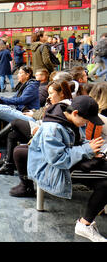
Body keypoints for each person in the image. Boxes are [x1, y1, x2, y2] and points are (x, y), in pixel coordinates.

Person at [27, 95, 107, 242]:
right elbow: (57, 159)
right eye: (87, 120)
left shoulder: (67, 119)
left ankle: (91, 215)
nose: (87, 123)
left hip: (65, 163)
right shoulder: (52, 128)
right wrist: (87, 149)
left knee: (103, 180)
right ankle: (85, 225)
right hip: (51, 170)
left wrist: (92, 148)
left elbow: (76, 144)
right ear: (75, 113)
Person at [0, 80, 73, 177]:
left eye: (51, 93)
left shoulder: (62, 107)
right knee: (13, 134)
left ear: (61, 93)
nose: (48, 96)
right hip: (40, 127)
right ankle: (8, 165)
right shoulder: (57, 105)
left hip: (44, 134)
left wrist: (37, 118)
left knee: (15, 121)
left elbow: (51, 123)